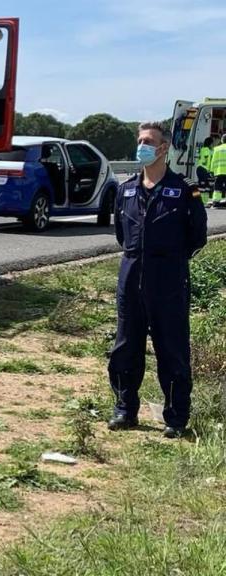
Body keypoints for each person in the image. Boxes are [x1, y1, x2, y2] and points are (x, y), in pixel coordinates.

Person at [108, 122, 207, 438]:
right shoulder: (125, 189)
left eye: (148, 141)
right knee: (126, 346)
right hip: (131, 274)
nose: (142, 146)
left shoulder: (184, 190)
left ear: (164, 148)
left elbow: (197, 236)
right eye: (139, 140)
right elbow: (122, 235)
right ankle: (125, 410)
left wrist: (169, 259)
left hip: (169, 278)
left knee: (172, 349)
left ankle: (176, 418)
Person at [209, 133, 226, 207]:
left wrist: (211, 171)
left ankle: (216, 202)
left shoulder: (216, 149)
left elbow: (213, 161)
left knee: (217, 188)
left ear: (222, 140)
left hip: (219, 172)